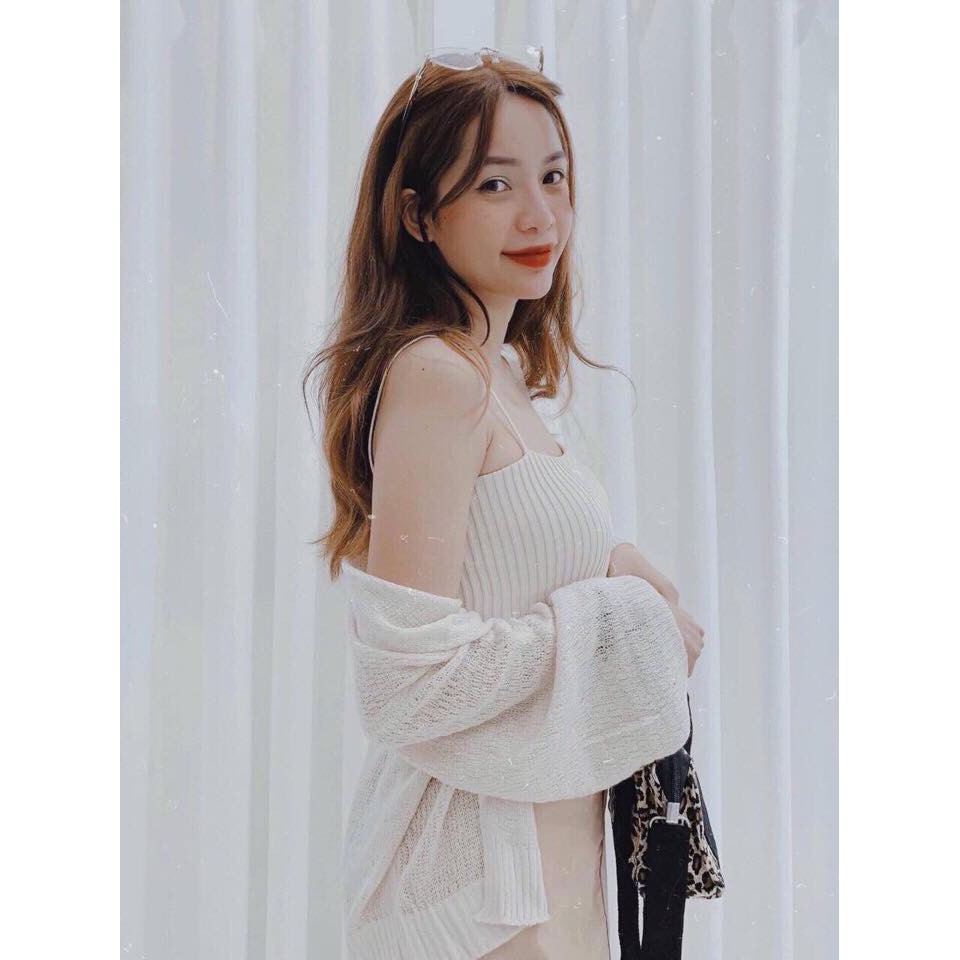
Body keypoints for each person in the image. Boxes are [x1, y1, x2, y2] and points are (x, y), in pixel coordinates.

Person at [302, 48, 705, 960]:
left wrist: (614, 567)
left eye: (553, 177)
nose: (540, 215)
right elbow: (405, 684)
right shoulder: (437, 377)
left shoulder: (503, 375)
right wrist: (625, 619)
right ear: (418, 215)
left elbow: (511, 572)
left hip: (543, 867)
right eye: (494, 184)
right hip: (480, 885)